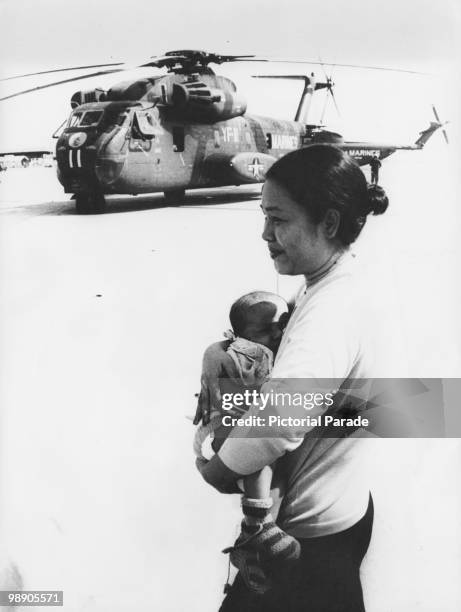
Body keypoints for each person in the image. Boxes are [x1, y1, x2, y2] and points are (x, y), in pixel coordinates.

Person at [195, 144, 389, 611]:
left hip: (305, 541)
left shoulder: (331, 310)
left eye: (278, 219)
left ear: (329, 222)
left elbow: (283, 417)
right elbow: (375, 402)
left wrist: (222, 468)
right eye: (264, 216)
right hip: (342, 510)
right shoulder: (341, 281)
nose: (265, 233)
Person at [194, 291, 300, 594]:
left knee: (274, 484)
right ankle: (257, 526)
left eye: (280, 325)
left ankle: (252, 543)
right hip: (228, 431)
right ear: (241, 336)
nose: (276, 334)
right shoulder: (250, 353)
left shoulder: (263, 346)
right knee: (260, 455)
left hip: (235, 430)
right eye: (265, 330)